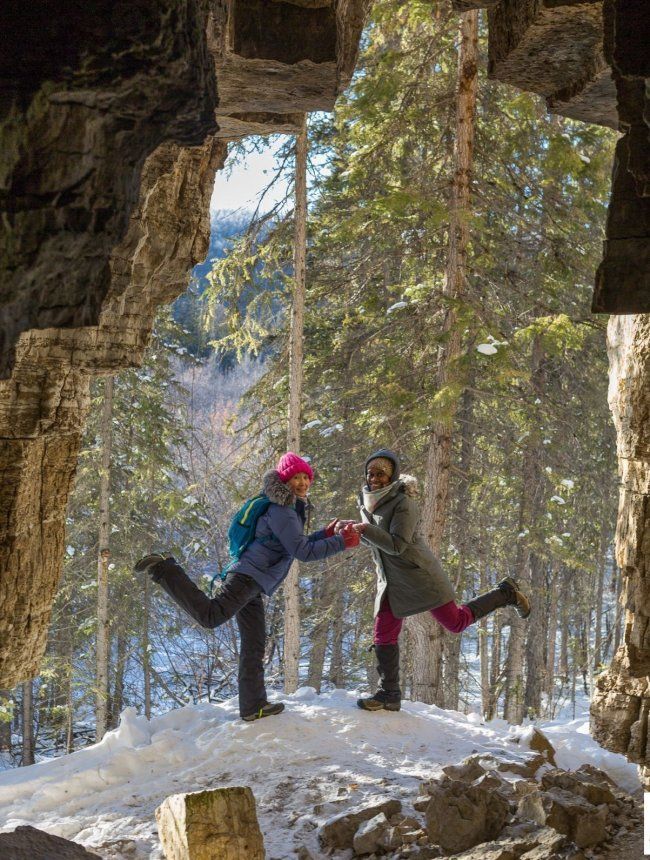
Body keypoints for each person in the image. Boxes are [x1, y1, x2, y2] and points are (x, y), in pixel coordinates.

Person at [134, 452, 360, 722]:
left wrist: (325, 534)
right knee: (211, 616)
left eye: (305, 477)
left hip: (255, 580)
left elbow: (293, 542)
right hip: (248, 577)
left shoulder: (290, 507)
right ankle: (163, 569)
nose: (302, 482)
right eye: (295, 477)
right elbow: (302, 552)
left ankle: (253, 706)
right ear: (285, 481)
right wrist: (341, 542)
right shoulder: (282, 510)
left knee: (254, 644)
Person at [350, 449, 530, 712]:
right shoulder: (368, 501)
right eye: (371, 473)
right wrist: (353, 531)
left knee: (455, 623)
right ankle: (389, 693)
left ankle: (505, 593)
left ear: (392, 477)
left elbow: (398, 545)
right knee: (383, 633)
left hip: (419, 575)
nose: (374, 478)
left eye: (380, 474)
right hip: (391, 582)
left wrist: (365, 530)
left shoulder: (403, 504)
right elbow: (378, 544)